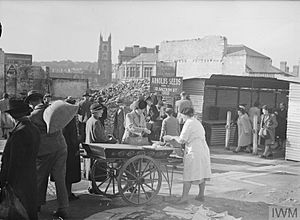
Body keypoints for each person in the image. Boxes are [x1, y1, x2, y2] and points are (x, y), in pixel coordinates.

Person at [26, 90, 69, 219]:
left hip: (44, 151)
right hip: (61, 147)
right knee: (60, 180)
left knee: (39, 178)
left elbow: (31, 136)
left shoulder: (32, 117)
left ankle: (36, 204)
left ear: (32, 102)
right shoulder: (52, 110)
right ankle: (64, 208)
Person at [0, 98, 41, 220]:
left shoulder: (20, 132)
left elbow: (13, 162)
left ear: (14, 116)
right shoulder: (33, 129)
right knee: (29, 209)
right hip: (30, 176)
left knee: (19, 211)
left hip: (17, 181)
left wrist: (3, 180)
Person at [163, 107, 211, 204]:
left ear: (184, 114)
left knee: (188, 174)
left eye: (180, 114)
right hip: (203, 149)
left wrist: (171, 137)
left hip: (194, 150)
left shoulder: (188, 123)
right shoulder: (197, 122)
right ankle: (201, 195)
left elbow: (182, 140)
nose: (179, 116)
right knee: (202, 171)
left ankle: (184, 197)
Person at [63, 97, 81, 201]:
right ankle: (67, 194)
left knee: (65, 172)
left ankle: (67, 193)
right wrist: (77, 142)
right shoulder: (70, 118)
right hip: (71, 148)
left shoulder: (63, 116)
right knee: (69, 172)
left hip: (65, 146)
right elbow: (72, 135)